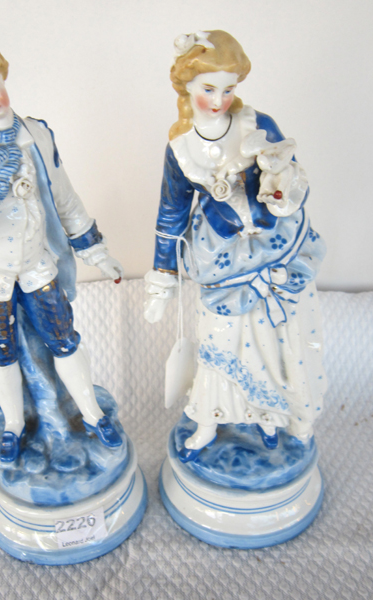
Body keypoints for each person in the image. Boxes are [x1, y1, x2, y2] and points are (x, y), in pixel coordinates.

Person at [0, 40, 124, 462]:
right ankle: (14, 424)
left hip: (35, 263)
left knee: (64, 339)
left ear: (2, 75)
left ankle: (91, 413)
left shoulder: (38, 133)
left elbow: (64, 197)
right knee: (1, 352)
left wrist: (95, 251)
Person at [144, 30, 327, 462]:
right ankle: (210, 418)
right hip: (220, 257)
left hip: (273, 244)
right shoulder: (180, 149)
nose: (219, 100)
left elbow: (292, 173)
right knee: (220, 338)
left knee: (273, 336)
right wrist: (162, 279)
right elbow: (171, 213)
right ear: (185, 86)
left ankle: (271, 417)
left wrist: (280, 183)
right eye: (209, 89)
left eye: (228, 89)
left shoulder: (257, 124)